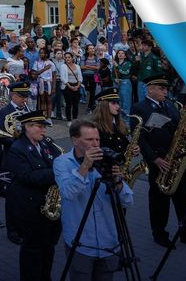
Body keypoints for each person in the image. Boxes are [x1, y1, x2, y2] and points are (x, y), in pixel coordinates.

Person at [134, 75, 186, 249]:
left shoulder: (171, 105)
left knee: (185, 199)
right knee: (159, 201)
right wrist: (154, 159)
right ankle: (159, 234)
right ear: (150, 88)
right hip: (159, 161)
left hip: (179, 160)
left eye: (166, 88)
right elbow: (139, 138)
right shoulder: (139, 108)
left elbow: (181, 124)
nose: (165, 91)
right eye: (161, 88)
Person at [54, 119, 134, 280]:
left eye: (97, 139)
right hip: (81, 242)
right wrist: (85, 166)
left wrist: (118, 181)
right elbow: (68, 193)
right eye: (89, 139)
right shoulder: (62, 162)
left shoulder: (105, 161)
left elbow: (127, 201)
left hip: (108, 242)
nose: (95, 144)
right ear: (75, 140)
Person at [4, 110, 63, 281]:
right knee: (32, 253)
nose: (43, 130)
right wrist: (56, 172)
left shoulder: (46, 143)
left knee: (48, 249)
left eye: (44, 127)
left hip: (49, 207)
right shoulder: (17, 149)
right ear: (27, 128)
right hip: (31, 209)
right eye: (39, 126)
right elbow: (27, 176)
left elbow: (58, 159)